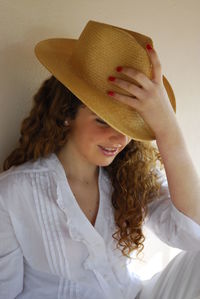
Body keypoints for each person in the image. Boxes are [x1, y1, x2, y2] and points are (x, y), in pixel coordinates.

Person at [0, 20, 200, 299]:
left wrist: (167, 127)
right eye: (104, 121)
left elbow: (193, 232)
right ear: (66, 114)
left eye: (129, 126)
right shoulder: (13, 193)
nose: (119, 139)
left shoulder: (132, 176)